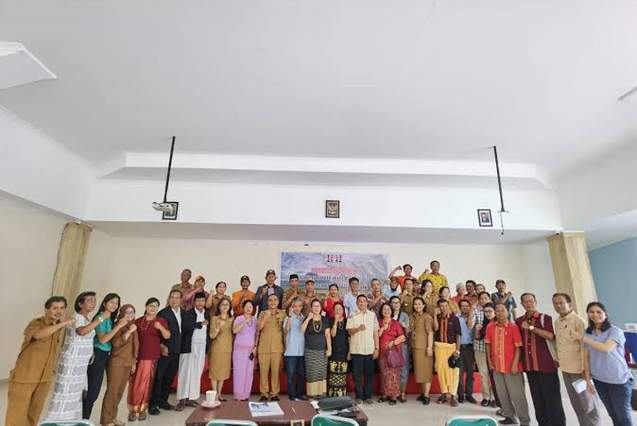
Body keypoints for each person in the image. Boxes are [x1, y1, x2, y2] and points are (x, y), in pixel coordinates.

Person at [6, 296, 72, 426]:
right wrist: (63, 323)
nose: (59, 311)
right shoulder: (36, 323)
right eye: (55, 308)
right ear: (47, 310)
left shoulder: (57, 327)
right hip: (25, 377)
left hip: (44, 378)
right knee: (17, 413)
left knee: (34, 413)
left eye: (62, 308)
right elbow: (38, 335)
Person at [44, 292, 100, 421]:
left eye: (94, 300)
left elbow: (87, 337)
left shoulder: (87, 319)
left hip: (81, 363)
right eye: (90, 300)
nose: (93, 303)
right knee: (65, 393)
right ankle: (57, 421)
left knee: (75, 394)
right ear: (80, 304)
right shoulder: (76, 317)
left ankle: (70, 421)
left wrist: (91, 351)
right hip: (72, 362)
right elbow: (81, 331)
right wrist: (100, 319)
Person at [516, 292, 566, 426]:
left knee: (552, 399)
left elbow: (550, 336)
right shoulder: (519, 321)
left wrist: (531, 328)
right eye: (525, 301)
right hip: (530, 367)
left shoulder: (545, 318)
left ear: (535, 302)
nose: (529, 303)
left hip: (546, 365)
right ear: (521, 304)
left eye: (531, 301)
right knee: (537, 399)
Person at [581, 302, 634, 426]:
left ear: (605, 314)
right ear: (588, 314)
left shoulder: (615, 331)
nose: (595, 314)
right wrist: (588, 380)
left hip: (619, 380)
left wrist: (584, 339)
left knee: (623, 416)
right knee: (612, 414)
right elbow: (586, 358)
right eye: (591, 312)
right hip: (599, 380)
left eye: (599, 312)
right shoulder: (588, 333)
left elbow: (606, 348)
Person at [552, 293, 602, 426]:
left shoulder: (578, 321)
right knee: (576, 404)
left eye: (561, 303)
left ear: (569, 304)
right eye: (555, 303)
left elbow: (586, 347)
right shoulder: (557, 322)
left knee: (589, 404)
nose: (558, 306)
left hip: (580, 370)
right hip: (566, 369)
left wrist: (586, 370)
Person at [485, 303, 530, 426]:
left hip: (512, 368)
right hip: (496, 366)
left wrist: (515, 364)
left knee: (518, 396)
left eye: (502, 310)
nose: (499, 313)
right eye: (497, 310)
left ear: (507, 312)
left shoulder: (513, 327)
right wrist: (489, 361)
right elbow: (488, 344)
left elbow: (518, 347)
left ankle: (525, 421)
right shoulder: (490, 327)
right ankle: (509, 417)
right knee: (502, 394)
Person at [127, 297, 170, 421]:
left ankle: (142, 409)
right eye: (151, 305)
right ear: (146, 307)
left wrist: (160, 327)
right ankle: (132, 409)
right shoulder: (138, 321)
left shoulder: (161, 321)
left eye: (156, 306)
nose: (153, 308)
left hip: (151, 357)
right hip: (137, 357)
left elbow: (167, 335)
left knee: (146, 384)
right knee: (135, 384)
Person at [83, 293, 125, 419]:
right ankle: (83, 419)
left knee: (94, 391)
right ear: (105, 303)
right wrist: (119, 326)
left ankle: (85, 419)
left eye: (116, 303)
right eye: (111, 302)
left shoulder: (110, 318)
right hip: (98, 355)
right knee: (92, 392)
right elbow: (102, 340)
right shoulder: (101, 316)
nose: (114, 305)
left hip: (105, 355)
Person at [100, 304, 139, 426]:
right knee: (112, 391)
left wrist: (133, 362)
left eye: (132, 312)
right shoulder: (119, 324)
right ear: (122, 313)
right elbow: (116, 344)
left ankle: (113, 418)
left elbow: (134, 346)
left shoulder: (132, 325)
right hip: (117, 362)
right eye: (127, 312)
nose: (130, 314)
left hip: (128, 362)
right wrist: (129, 331)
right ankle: (106, 421)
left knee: (119, 392)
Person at [149, 289, 184, 415]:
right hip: (165, 350)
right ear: (169, 298)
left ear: (181, 300)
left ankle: (163, 401)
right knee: (159, 377)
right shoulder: (163, 313)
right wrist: (162, 346)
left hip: (177, 350)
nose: (174, 300)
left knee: (169, 378)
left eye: (177, 297)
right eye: (172, 297)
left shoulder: (183, 313)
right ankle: (153, 404)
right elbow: (156, 333)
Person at [176, 292, 209, 410]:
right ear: (194, 302)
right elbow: (185, 326)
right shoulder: (188, 313)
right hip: (189, 347)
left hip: (202, 347)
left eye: (202, 301)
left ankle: (192, 398)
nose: (200, 303)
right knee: (185, 373)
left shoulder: (207, 313)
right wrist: (199, 324)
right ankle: (182, 399)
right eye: (198, 301)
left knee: (197, 373)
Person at [346, 294, 379, 404]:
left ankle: (368, 396)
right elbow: (349, 332)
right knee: (357, 375)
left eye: (364, 301)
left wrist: (377, 348)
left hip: (369, 349)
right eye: (360, 301)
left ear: (367, 303)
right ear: (356, 303)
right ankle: (359, 396)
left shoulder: (372, 315)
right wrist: (358, 329)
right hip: (356, 349)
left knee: (369, 375)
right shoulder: (352, 315)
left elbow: (375, 333)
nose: (362, 303)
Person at [257, 293, 286, 401]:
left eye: (275, 299)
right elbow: (258, 328)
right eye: (270, 300)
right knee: (263, 372)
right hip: (263, 348)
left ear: (278, 302)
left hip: (277, 348)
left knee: (275, 372)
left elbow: (285, 330)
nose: (273, 302)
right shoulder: (262, 313)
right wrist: (266, 316)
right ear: (267, 302)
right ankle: (264, 393)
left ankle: (274, 393)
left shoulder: (283, 314)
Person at [433, 299, 461, 406]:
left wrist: (457, 350)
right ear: (438, 307)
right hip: (439, 348)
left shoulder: (455, 319)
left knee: (454, 372)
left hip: (451, 348)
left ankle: (453, 395)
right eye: (441, 306)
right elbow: (435, 328)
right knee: (441, 371)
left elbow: (458, 335)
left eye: (445, 306)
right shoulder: (437, 318)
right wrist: (434, 315)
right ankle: (444, 393)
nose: (443, 308)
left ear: (448, 306)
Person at [302, 299, 332, 398]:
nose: (316, 308)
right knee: (312, 372)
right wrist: (308, 318)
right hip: (310, 350)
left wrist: (329, 348)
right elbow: (301, 330)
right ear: (311, 308)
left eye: (318, 306)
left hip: (322, 350)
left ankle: (321, 393)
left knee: (321, 372)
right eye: (314, 306)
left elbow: (327, 335)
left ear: (321, 307)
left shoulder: (325, 319)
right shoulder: (307, 318)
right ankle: (312, 393)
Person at [378, 302, 406, 406]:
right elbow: (376, 336)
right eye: (384, 309)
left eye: (388, 309)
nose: (386, 311)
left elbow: (402, 337)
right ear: (381, 311)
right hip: (382, 353)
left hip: (393, 353)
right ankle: (385, 394)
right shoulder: (378, 322)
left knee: (393, 375)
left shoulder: (396, 323)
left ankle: (393, 396)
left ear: (391, 311)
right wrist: (382, 328)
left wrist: (393, 342)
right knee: (384, 374)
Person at [232, 299, 258, 401]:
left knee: (249, 373)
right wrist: (244, 321)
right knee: (239, 373)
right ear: (243, 308)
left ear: (253, 309)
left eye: (250, 307)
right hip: (239, 350)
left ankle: (246, 395)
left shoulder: (255, 320)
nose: (248, 309)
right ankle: (238, 395)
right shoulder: (239, 318)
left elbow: (257, 334)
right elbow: (234, 330)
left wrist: (255, 347)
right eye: (246, 307)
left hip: (250, 351)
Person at [473, 292, 496, 407]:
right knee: (484, 374)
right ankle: (486, 397)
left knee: (495, 375)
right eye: (486, 312)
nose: (488, 313)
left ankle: (495, 397)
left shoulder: (499, 320)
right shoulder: (482, 318)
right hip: (481, 350)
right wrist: (477, 330)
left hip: (495, 352)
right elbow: (478, 337)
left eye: (490, 311)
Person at [410, 296, 434, 405]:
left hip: (425, 348)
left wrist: (429, 347)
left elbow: (430, 333)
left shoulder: (427, 317)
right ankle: (423, 393)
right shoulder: (413, 316)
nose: (417, 306)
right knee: (420, 372)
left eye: (419, 304)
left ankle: (427, 395)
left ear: (424, 305)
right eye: (415, 304)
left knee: (426, 371)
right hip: (416, 348)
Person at [209, 297, 233, 401]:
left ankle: (219, 394)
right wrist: (217, 329)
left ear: (230, 307)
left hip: (227, 349)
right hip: (216, 349)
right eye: (222, 304)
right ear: (219, 307)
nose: (225, 306)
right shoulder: (215, 318)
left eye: (227, 304)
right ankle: (214, 394)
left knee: (223, 372)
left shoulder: (232, 319)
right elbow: (211, 336)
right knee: (215, 372)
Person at [284, 298, 306, 401]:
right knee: (291, 375)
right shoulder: (288, 318)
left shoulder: (304, 318)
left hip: (302, 351)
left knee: (301, 374)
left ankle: (300, 394)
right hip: (291, 351)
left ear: (302, 307)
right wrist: (289, 316)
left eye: (299, 306)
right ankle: (292, 395)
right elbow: (286, 330)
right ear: (291, 307)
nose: (297, 308)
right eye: (295, 306)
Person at [389, 296, 410, 403]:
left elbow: (408, 332)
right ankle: (393, 393)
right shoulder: (387, 314)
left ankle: (402, 393)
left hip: (402, 345)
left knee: (403, 369)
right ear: (390, 304)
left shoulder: (404, 315)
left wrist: (405, 326)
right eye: (393, 302)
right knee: (392, 369)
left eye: (397, 302)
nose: (396, 304)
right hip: (390, 345)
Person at [457, 299, 477, 403]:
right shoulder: (457, 317)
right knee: (459, 373)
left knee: (470, 372)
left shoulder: (473, 317)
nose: (464, 307)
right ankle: (460, 395)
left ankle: (469, 394)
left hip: (470, 348)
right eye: (462, 306)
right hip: (459, 347)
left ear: (469, 307)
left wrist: (471, 313)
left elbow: (469, 325)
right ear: (460, 307)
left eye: (466, 306)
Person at [328, 302, 349, 397]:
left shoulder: (347, 321)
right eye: (336, 309)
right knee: (333, 373)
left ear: (343, 310)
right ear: (333, 311)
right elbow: (332, 334)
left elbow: (349, 337)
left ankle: (341, 394)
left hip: (344, 350)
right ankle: (333, 394)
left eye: (340, 309)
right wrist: (335, 321)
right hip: (334, 350)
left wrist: (349, 352)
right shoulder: (330, 320)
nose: (338, 311)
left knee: (342, 373)